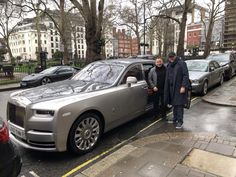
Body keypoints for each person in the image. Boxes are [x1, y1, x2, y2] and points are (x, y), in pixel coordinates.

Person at [164, 52, 190, 129]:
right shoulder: (169, 65)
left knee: (179, 105)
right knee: (174, 104)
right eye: (169, 57)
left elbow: (186, 75)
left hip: (179, 88)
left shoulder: (182, 63)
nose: (171, 58)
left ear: (175, 56)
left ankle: (180, 121)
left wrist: (183, 86)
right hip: (171, 88)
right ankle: (175, 118)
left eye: (172, 57)